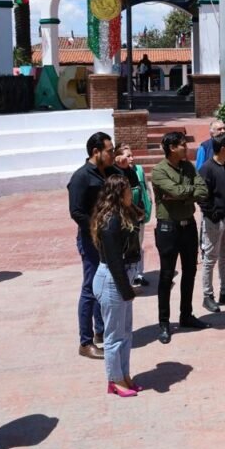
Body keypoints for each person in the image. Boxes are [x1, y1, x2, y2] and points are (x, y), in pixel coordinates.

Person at [151, 132, 209, 343]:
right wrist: (185, 193)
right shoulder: (159, 171)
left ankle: (186, 315)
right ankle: (164, 322)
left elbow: (203, 190)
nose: (186, 147)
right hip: (168, 228)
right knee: (167, 275)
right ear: (172, 148)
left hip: (188, 226)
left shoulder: (188, 167)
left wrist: (182, 195)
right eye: (182, 145)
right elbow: (173, 191)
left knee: (190, 271)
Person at [90, 174, 144, 398]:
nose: (132, 192)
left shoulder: (124, 213)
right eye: (128, 190)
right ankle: (114, 379)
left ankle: (124, 375)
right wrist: (126, 289)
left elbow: (142, 215)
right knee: (114, 335)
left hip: (122, 278)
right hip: (112, 280)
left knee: (126, 332)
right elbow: (114, 261)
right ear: (119, 194)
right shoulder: (110, 220)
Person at [67, 132, 116, 359]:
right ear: (96, 152)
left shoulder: (109, 172)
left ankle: (101, 330)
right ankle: (85, 342)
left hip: (108, 239)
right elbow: (76, 212)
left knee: (102, 286)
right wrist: (97, 229)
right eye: (110, 151)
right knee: (90, 289)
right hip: (91, 239)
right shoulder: (81, 177)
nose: (112, 154)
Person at [197, 132, 225, 313]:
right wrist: (213, 215)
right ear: (223, 149)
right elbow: (202, 196)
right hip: (215, 221)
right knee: (210, 258)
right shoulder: (207, 169)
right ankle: (207, 295)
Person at [113, 144, 153, 287]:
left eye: (132, 155)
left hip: (136, 215)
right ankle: (124, 276)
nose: (132, 158)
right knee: (124, 247)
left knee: (138, 245)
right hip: (122, 217)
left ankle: (138, 275)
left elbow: (143, 190)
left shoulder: (136, 171)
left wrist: (146, 206)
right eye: (128, 156)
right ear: (118, 157)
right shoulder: (114, 173)